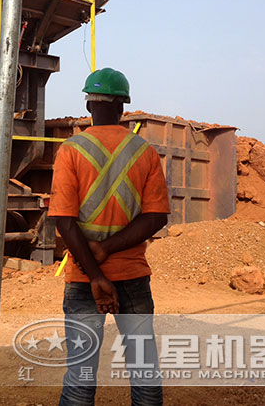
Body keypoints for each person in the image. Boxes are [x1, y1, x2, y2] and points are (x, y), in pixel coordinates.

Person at [48, 67, 170, 406]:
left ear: (89, 105)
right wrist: (108, 249)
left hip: (84, 277)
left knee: (80, 379)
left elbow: (64, 222)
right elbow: (156, 216)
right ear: (122, 107)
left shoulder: (71, 151)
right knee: (145, 373)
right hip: (132, 275)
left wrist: (96, 274)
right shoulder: (143, 152)